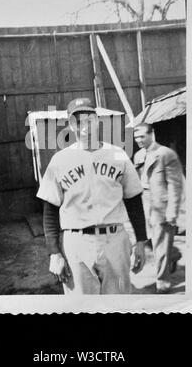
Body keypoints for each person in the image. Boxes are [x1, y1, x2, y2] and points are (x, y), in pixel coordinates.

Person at [36, 97, 148, 294]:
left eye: (89, 120)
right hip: (76, 243)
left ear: (97, 121)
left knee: (119, 304)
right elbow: (50, 210)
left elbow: (134, 200)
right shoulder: (60, 160)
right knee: (81, 305)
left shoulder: (117, 154)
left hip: (115, 240)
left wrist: (141, 241)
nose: (84, 127)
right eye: (77, 122)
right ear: (71, 126)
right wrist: (54, 252)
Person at [133, 123, 184, 293]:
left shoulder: (166, 154)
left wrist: (172, 211)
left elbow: (175, 185)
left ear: (151, 134)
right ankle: (174, 256)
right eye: (136, 137)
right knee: (151, 244)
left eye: (142, 136)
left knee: (161, 248)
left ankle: (163, 283)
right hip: (146, 206)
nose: (139, 140)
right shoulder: (139, 155)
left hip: (162, 207)